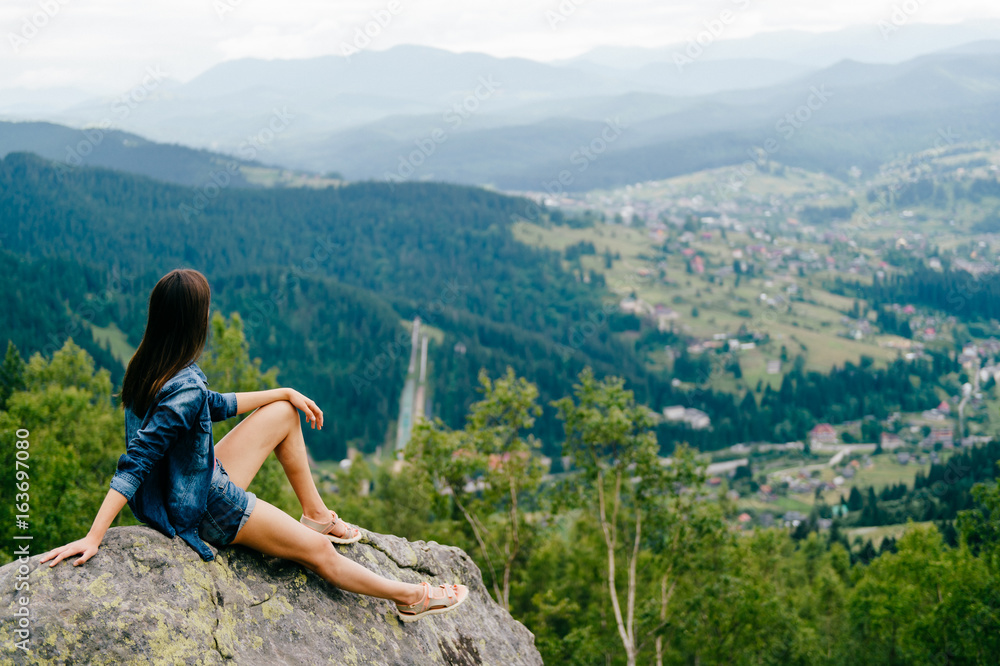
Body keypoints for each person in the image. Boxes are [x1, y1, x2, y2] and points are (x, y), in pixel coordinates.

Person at [40, 268, 467, 622]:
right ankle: (411, 596)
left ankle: (317, 514)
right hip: (206, 506)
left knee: (283, 413)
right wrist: (94, 537)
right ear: (195, 321)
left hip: (188, 483)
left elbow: (213, 405)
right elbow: (135, 464)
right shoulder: (181, 384)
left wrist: (283, 392)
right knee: (318, 554)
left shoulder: (149, 364)